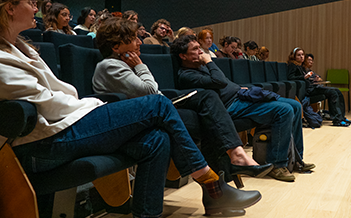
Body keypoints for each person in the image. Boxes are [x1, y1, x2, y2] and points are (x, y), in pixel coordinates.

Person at [0, 0, 260, 218]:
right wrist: (94, 107)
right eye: (30, 1)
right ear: (8, 8)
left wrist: (88, 105)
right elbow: (48, 107)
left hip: (57, 131)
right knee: (158, 106)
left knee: (155, 139)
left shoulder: (18, 48)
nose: (35, 8)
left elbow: (59, 98)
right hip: (37, 146)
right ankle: (210, 184)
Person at [92, 17, 273, 182]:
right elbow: (149, 90)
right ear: (116, 47)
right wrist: (141, 66)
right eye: (133, 39)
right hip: (137, 119)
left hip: (157, 110)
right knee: (209, 121)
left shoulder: (125, 63)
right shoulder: (110, 66)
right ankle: (220, 185)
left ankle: (228, 171)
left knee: (208, 99)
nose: (139, 42)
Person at [172, 34, 314, 182]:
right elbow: (220, 82)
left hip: (241, 96)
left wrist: (239, 88)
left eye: (199, 48)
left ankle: (297, 160)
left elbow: (224, 82)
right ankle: (277, 164)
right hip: (230, 106)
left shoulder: (200, 67)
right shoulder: (187, 74)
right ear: (183, 56)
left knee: (296, 105)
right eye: (195, 49)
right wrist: (209, 61)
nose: (200, 52)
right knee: (284, 110)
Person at [287, 48, 351, 127]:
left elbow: (308, 77)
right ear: (294, 56)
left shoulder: (302, 66)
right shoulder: (293, 65)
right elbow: (290, 77)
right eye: (298, 55)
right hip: (309, 90)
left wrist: (314, 79)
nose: (301, 57)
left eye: (302, 55)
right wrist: (304, 77)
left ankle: (341, 117)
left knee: (337, 91)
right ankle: (337, 120)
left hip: (312, 87)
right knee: (333, 92)